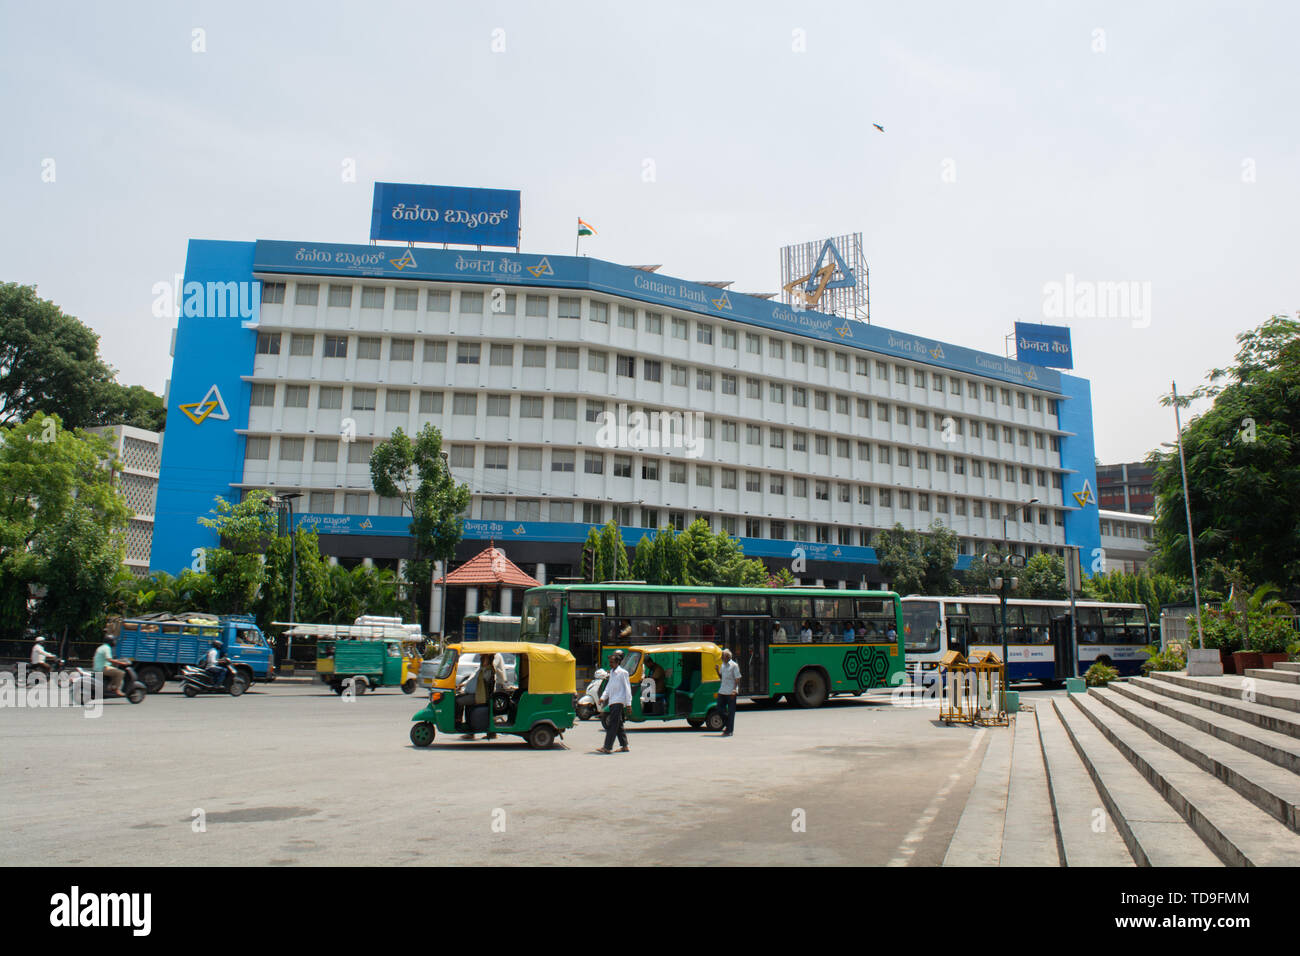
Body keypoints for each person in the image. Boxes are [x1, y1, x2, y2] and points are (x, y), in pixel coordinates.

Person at [597, 650, 631, 753]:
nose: (610, 664)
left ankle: (607, 747)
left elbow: (627, 689)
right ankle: (624, 746)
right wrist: (603, 697)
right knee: (618, 724)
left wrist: (629, 704)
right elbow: (608, 687)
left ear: (617, 662)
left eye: (612, 662)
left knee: (612, 724)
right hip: (612, 701)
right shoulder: (612, 673)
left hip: (618, 701)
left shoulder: (623, 673)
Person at [717, 648, 741, 736]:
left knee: (731, 711)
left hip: (731, 692)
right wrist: (717, 670)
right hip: (722, 690)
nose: (721, 658)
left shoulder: (734, 665)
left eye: (722, 656)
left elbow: (737, 678)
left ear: (727, 657)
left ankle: (729, 730)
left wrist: (734, 690)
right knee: (719, 709)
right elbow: (721, 677)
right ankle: (728, 722)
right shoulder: (722, 665)